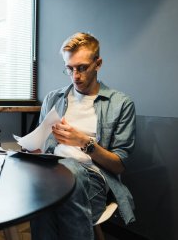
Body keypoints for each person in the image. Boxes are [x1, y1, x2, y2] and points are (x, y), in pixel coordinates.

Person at [30, 32, 136, 240]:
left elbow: (118, 165)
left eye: (82, 68)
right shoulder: (53, 98)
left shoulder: (120, 104)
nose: (75, 76)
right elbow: (40, 144)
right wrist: (32, 149)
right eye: (69, 69)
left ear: (98, 64)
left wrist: (84, 143)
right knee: (44, 190)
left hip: (92, 176)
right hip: (51, 170)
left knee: (59, 181)